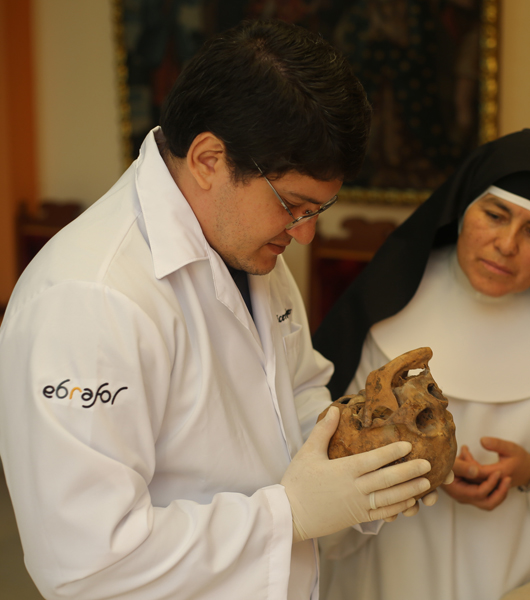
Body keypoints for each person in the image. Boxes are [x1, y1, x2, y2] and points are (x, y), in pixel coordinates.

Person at [0, 19, 438, 600]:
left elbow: (297, 393)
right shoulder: (89, 300)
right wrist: (289, 515)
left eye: (319, 210)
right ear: (209, 159)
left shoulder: (248, 248)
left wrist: (368, 465)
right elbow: (87, 564)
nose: (305, 237)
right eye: (295, 205)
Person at [313, 129, 530, 600]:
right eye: (495, 215)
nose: (507, 244)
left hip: (514, 571)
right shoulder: (386, 304)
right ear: (463, 208)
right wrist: (421, 469)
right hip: (392, 565)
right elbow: (327, 440)